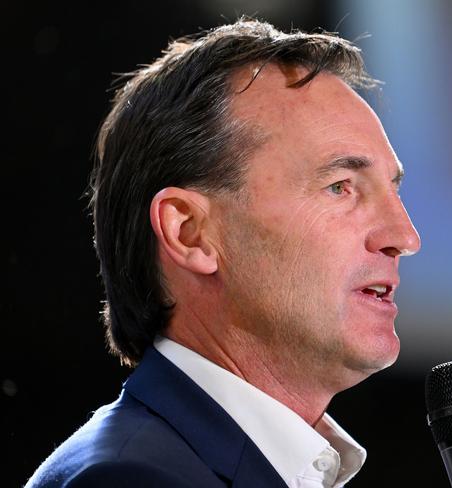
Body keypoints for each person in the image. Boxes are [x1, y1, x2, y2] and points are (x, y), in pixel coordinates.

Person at [26, 18, 420, 488]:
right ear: (189, 232)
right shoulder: (130, 478)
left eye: (393, 191)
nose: (404, 236)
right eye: (340, 187)